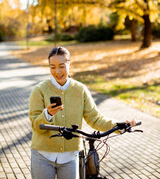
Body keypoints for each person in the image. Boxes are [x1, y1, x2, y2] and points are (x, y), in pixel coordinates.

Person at [29, 46, 136, 179]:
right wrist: (48, 114)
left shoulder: (80, 90)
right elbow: (35, 125)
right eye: (52, 67)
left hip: (70, 157)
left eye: (62, 66)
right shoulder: (39, 90)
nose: (57, 71)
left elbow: (95, 118)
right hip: (42, 156)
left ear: (70, 64)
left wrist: (118, 125)